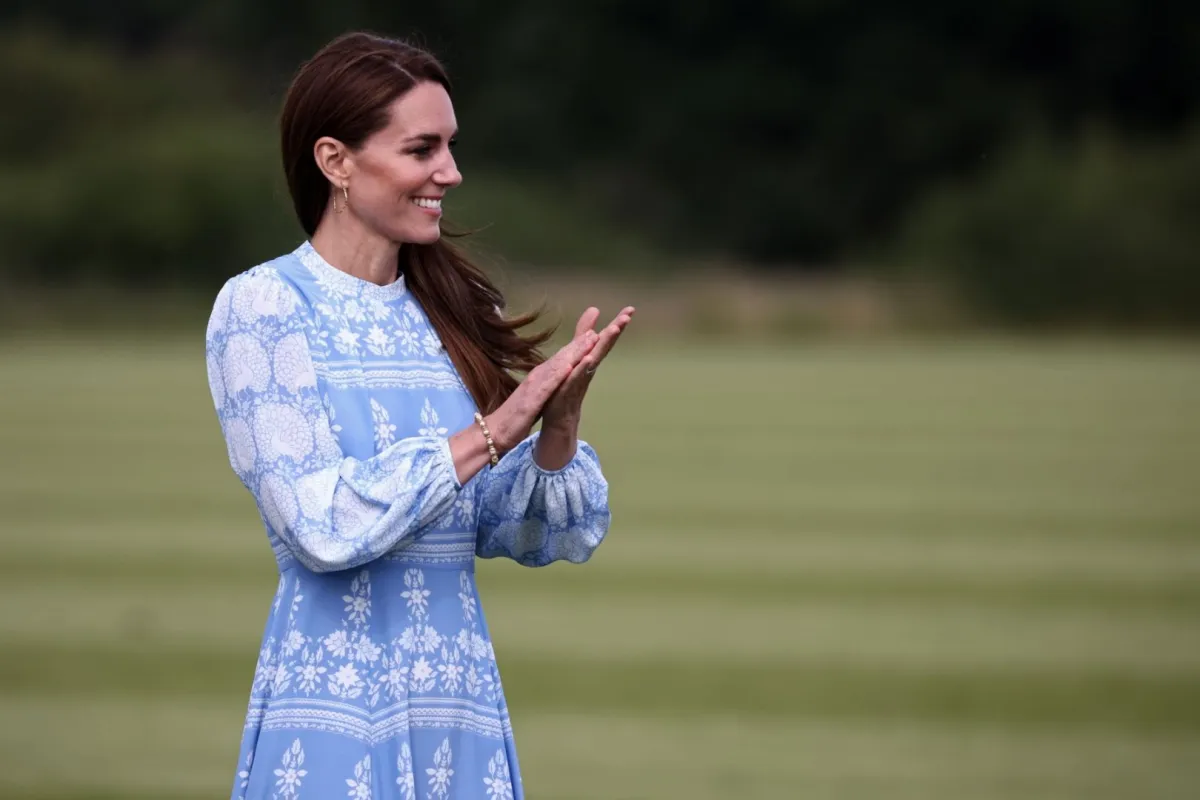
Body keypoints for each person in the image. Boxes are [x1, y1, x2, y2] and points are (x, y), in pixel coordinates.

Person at [204, 31, 633, 800]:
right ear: (335, 162)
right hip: (333, 706)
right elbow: (321, 524)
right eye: (422, 149)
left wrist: (556, 430)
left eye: (451, 146)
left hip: (458, 701)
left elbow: (522, 531)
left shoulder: (459, 310)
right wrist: (498, 429)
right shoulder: (262, 307)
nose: (450, 171)